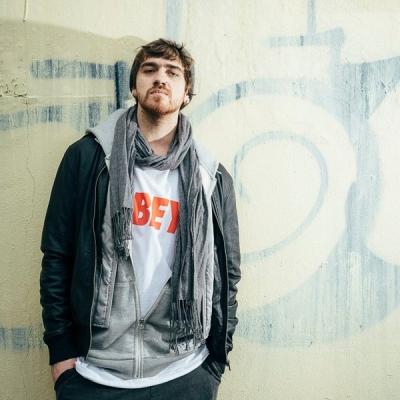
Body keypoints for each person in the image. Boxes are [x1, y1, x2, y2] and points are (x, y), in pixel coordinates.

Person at [40, 38, 241, 400]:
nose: (160, 78)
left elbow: (228, 273)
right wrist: (61, 353)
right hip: (94, 372)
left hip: (184, 370)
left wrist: (214, 361)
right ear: (134, 86)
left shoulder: (211, 178)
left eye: (172, 73)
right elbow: (57, 256)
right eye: (149, 70)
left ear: (187, 93)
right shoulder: (88, 159)